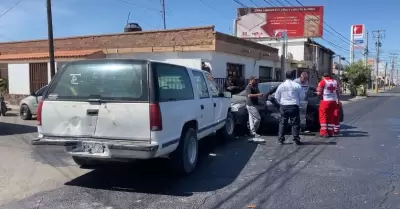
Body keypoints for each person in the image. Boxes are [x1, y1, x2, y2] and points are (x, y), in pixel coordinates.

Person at [275, 70, 304, 145]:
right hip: (294, 105)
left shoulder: (281, 85)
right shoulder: (297, 85)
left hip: (284, 105)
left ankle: (280, 139)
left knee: (282, 123)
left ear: (286, 76)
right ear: (293, 77)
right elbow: (302, 96)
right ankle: (296, 139)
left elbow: (276, 97)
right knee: (295, 123)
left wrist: (281, 103)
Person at [316, 72, 340, 137]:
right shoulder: (335, 82)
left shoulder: (323, 82)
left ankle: (324, 132)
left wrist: (316, 92)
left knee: (323, 116)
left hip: (325, 101)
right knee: (331, 116)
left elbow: (319, 92)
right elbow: (339, 91)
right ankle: (330, 132)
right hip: (333, 101)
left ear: (323, 76)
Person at [244, 76, 265, 143]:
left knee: (251, 120)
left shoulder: (255, 86)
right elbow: (249, 95)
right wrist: (258, 94)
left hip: (254, 105)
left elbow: (258, 93)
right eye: (255, 80)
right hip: (251, 105)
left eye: (257, 80)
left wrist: (260, 95)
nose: (256, 81)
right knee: (258, 119)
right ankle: (253, 131)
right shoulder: (249, 87)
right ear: (251, 80)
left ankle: (252, 132)